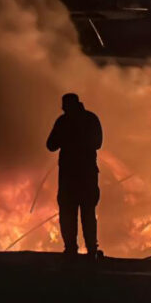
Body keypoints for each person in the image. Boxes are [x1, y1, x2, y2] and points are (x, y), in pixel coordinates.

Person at [46, 93, 103, 257]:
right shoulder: (90, 119)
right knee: (87, 213)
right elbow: (98, 143)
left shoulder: (63, 122)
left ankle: (72, 248)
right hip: (86, 174)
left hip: (70, 176)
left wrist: (68, 138)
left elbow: (51, 145)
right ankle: (90, 249)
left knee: (69, 213)